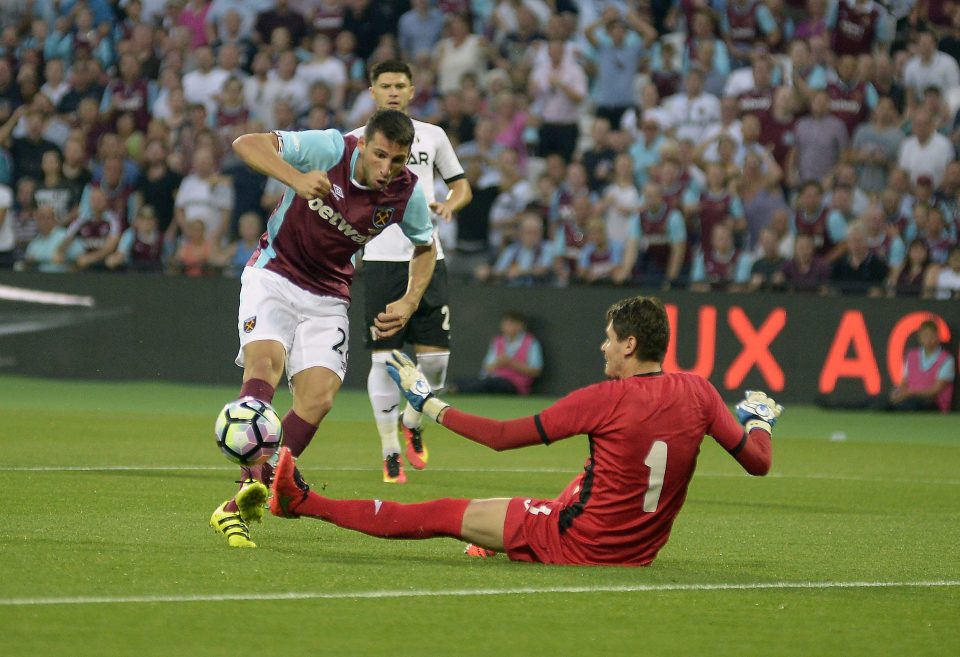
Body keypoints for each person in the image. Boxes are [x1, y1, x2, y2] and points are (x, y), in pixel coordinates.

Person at [261, 296, 781, 567]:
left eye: (607, 339)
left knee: (442, 513)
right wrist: (758, 422)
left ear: (627, 345)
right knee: (594, 475)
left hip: (581, 544)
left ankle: (299, 501)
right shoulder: (701, 393)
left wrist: (430, 404)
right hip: (640, 550)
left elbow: (503, 437)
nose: (602, 347)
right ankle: (498, 541)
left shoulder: (602, 401)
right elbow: (758, 461)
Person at [209, 108, 438, 548]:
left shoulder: (406, 193)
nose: (386, 168)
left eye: (397, 159)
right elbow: (246, 144)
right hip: (274, 273)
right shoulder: (330, 147)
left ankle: (238, 502)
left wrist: (410, 301)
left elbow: (425, 247)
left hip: (329, 294)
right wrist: (292, 178)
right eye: (379, 155)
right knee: (266, 363)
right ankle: (252, 483)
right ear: (365, 144)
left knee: (319, 398)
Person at [347, 61, 473, 484]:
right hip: (382, 258)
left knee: (436, 364)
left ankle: (412, 420)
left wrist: (450, 205)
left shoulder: (433, 135)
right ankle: (389, 452)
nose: (394, 92)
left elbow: (461, 185)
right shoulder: (356, 141)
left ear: (412, 90)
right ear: (373, 92)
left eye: (401, 85)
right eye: (386, 85)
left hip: (427, 255)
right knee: (385, 360)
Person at [447, 311, 543, 396]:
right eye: (506, 323)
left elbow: (535, 371)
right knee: (466, 380)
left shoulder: (531, 342)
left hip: (515, 386)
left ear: (520, 326)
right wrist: (498, 362)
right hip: (494, 379)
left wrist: (511, 363)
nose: (508, 327)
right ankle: (452, 387)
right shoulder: (498, 341)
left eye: (512, 323)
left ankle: (456, 390)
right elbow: (487, 367)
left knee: (491, 383)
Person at [886, 320, 955, 413]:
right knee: (885, 400)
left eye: (932, 335)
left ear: (938, 337)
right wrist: (899, 392)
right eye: (925, 335)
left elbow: (936, 390)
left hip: (934, 404)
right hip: (910, 398)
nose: (928, 339)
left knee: (908, 404)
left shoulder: (947, 359)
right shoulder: (911, 355)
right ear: (920, 337)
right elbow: (904, 381)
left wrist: (910, 393)